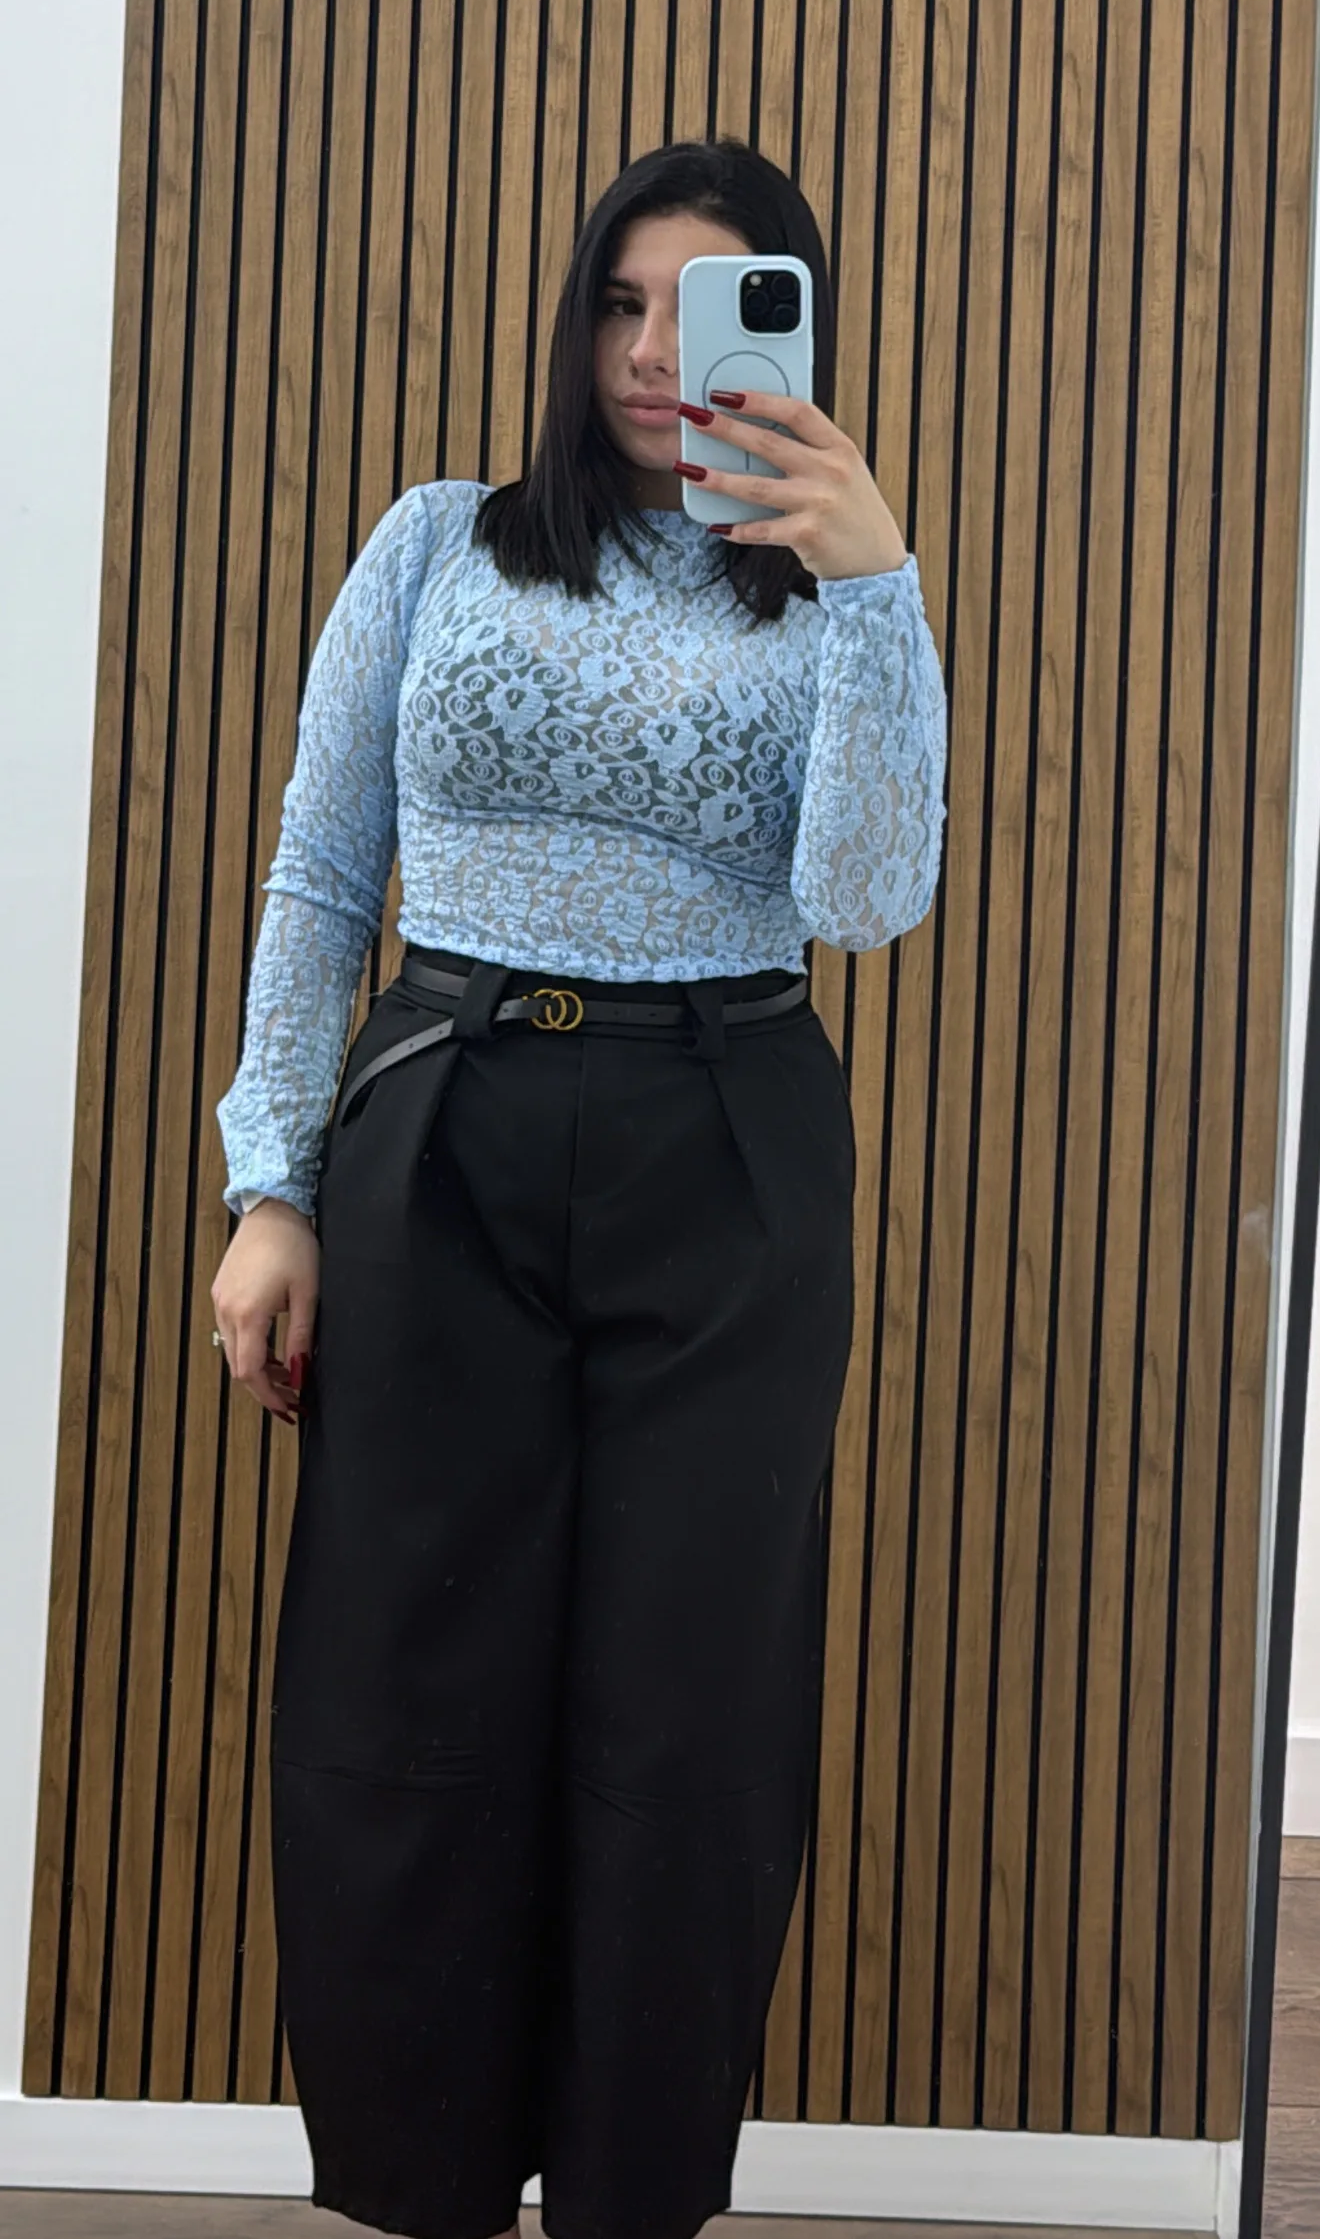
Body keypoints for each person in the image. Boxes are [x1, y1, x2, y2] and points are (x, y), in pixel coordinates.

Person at [211, 136, 947, 2239]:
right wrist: (273, 1185)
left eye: (701, 312)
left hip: (725, 1148)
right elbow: (321, 873)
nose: (648, 355)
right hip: (440, 1129)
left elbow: (867, 897)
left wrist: (877, 583)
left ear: (784, 330)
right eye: (620, 304)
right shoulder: (437, 543)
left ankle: (630, 2194)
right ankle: (422, 2184)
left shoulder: (826, 593)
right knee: (404, 1684)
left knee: (686, 1703)